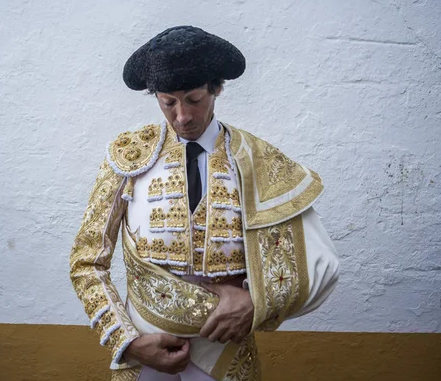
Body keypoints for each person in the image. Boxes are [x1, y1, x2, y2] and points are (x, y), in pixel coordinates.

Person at [69, 25, 340, 381]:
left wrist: (255, 301)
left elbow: (316, 266)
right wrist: (127, 341)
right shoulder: (129, 157)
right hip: (144, 349)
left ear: (216, 89)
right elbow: (87, 261)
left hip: (226, 354)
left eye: (194, 99)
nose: (182, 116)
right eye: (168, 102)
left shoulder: (256, 160)